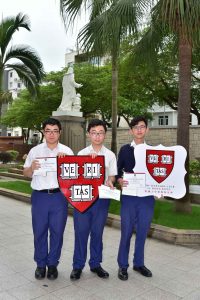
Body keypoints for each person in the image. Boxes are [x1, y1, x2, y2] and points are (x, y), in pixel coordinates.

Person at [23, 118, 73, 280]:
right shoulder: (35, 151)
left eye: (55, 131)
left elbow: (73, 178)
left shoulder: (67, 151)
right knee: (40, 232)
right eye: (48, 130)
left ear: (60, 132)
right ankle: (40, 264)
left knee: (57, 232)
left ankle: (52, 265)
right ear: (44, 132)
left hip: (59, 197)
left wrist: (65, 162)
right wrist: (31, 168)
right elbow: (26, 174)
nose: (51, 134)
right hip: (40, 197)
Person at [70, 119, 117, 280]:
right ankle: (77, 266)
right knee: (81, 233)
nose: (97, 136)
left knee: (97, 233)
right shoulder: (81, 154)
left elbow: (111, 177)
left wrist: (110, 182)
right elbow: (75, 178)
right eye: (94, 133)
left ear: (105, 134)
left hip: (101, 200)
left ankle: (96, 264)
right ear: (89, 134)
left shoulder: (110, 155)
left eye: (101, 133)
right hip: (83, 199)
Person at [117, 116, 155, 281]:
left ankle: (138, 263)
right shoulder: (125, 150)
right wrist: (119, 180)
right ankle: (122, 266)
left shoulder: (154, 151)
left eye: (142, 127)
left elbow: (158, 174)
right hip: (129, 197)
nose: (139, 130)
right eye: (136, 127)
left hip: (147, 197)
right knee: (126, 232)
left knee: (142, 232)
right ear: (131, 130)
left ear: (147, 129)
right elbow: (118, 172)